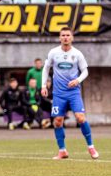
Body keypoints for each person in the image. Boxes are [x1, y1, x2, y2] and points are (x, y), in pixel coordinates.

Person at [42, 27, 98, 160]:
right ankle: (62, 151)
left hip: (73, 93)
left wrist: (77, 80)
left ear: (72, 37)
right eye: (63, 35)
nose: (65, 37)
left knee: (80, 118)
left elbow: (85, 71)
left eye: (68, 35)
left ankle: (91, 146)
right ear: (60, 38)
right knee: (57, 121)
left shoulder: (77, 54)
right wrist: (44, 85)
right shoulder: (53, 52)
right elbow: (46, 69)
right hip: (58, 93)